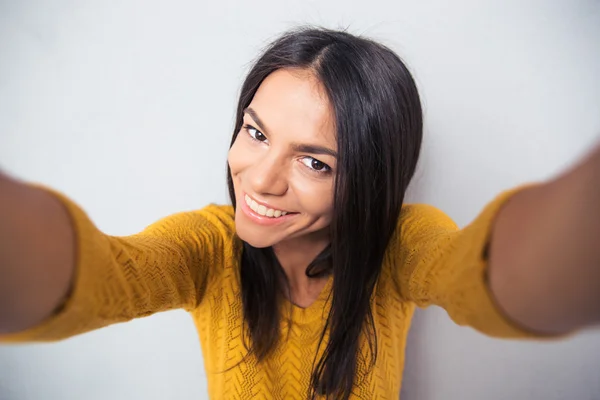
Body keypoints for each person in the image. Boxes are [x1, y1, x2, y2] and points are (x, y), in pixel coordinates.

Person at [0, 27, 599, 400]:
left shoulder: (399, 244)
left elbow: (489, 278)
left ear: (369, 178)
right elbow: (99, 275)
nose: (259, 179)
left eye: (315, 163)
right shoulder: (206, 247)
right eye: (255, 133)